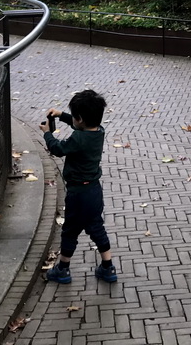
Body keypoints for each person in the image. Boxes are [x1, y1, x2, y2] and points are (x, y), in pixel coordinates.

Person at [41, 89, 117, 284]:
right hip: (94, 190)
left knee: (70, 230)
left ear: (80, 119)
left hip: (78, 193)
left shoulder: (78, 139)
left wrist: (47, 134)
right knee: (96, 227)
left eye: (74, 117)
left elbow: (58, 149)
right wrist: (62, 115)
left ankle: (63, 269)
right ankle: (108, 267)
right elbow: (80, 125)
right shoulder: (99, 131)